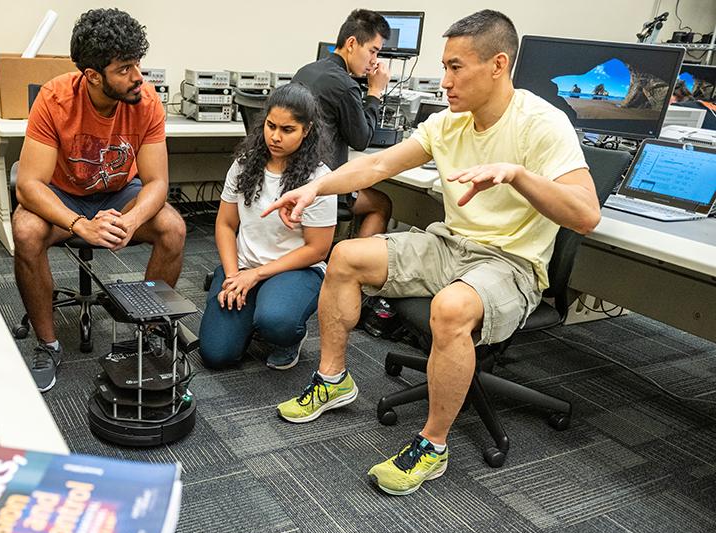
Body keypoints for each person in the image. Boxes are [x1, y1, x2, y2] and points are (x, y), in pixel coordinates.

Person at [265, 10, 600, 496]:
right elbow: (377, 163)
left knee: (450, 309)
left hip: (511, 263)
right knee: (345, 257)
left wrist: (519, 175)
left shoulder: (542, 125)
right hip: (449, 246)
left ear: (498, 65)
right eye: (443, 67)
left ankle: (433, 445)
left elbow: (586, 216)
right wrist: (314, 191)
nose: (443, 81)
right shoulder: (449, 123)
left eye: (455, 68)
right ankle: (333, 380)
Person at [12, 8, 186, 391]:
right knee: (25, 230)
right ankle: (48, 344)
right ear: (92, 75)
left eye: (137, 64)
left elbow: (157, 181)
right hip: (64, 195)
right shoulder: (55, 99)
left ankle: (150, 331)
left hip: (120, 192)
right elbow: (28, 185)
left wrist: (134, 219)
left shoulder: (147, 101)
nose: (137, 77)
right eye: (124, 69)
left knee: (173, 227)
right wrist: (80, 225)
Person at [198, 84, 337, 370]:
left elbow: (318, 249)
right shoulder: (244, 165)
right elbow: (225, 224)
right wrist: (233, 275)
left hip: (294, 270)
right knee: (216, 354)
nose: (275, 136)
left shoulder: (319, 179)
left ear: (306, 130)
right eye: (271, 126)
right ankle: (251, 315)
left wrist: (257, 276)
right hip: (244, 266)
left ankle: (287, 336)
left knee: (277, 321)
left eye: (288, 130)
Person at [292, 9, 394, 240]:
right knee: (382, 203)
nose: (374, 60)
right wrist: (375, 91)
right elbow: (361, 140)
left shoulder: (306, 70)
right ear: (351, 43)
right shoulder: (344, 85)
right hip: (324, 187)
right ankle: (353, 262)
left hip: (293, 177)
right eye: (373, 51)